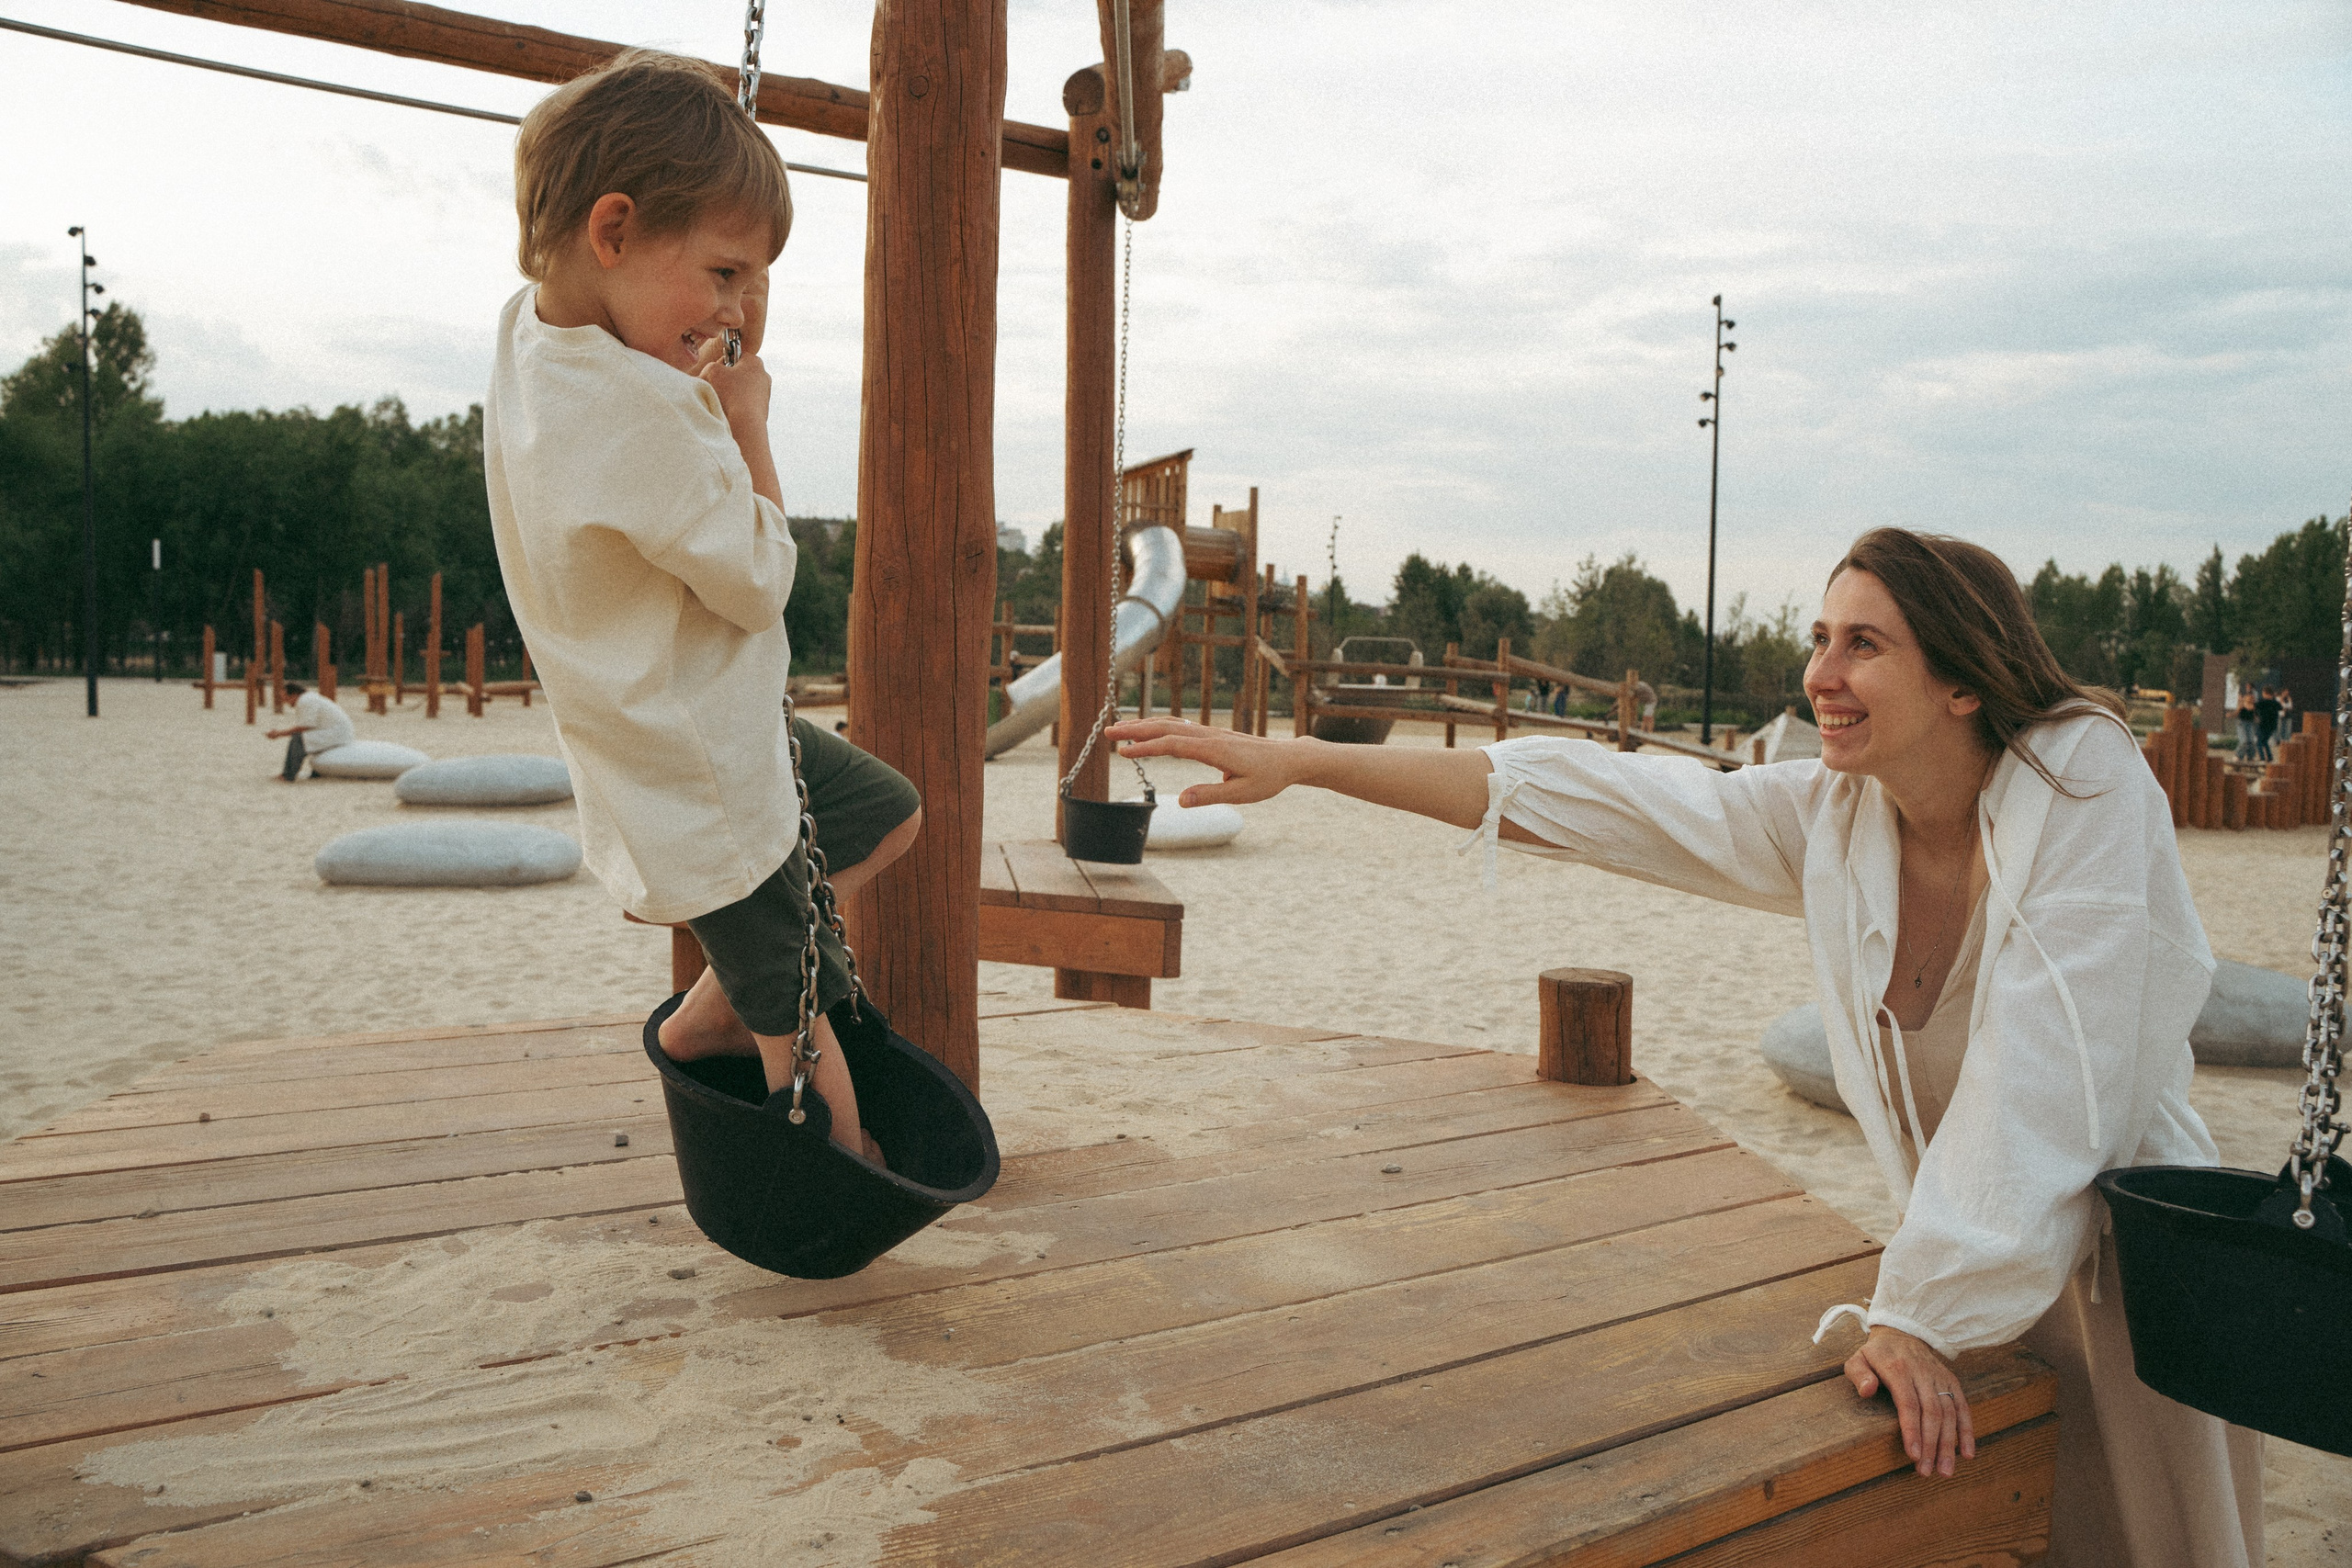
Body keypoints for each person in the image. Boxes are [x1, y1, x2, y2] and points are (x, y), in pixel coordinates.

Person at [1107, 527, 2261, 1567]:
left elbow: (2051, 1076)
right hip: (1956, 1268)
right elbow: (1605, 796)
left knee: (2143, 1539)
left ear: (1961, 677)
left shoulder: (2082, 779)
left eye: (1864, 643)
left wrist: (1919, 1309)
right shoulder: (1837, 815)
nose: (1821, 676)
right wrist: (1309, 762)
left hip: (2122, 1276)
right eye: (1819, 639)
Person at [483, 51, 921, 1163]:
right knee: (807, 1038)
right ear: (613, 229)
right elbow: (765, 577)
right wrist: (746, 420)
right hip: (705, 772)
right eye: (725, 274)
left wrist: (687, 353)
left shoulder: (531, 340)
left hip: (683, 723)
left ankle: (723, 1003)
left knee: (880, 811)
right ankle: (839, 1188)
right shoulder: (652, 423)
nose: (741, 309)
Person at [264, 681, 354, 780]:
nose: (285, 701)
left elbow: (305, 727)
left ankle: (288, 774)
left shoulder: (305, 701)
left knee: (298, 739)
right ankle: (316, 772)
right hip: (336, 731)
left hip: (336, 733)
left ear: (294, 695)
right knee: (306, 738)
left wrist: (279, 733)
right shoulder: (308, 698)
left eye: (286, 698)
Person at [2253, 686, 2282, 763]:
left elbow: (2254, 707)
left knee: (2259, 742)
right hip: (2272, 726)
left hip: (2263, 724)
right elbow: (2281, 707)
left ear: (2265, 693)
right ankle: (2270, 757)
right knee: (2265, 741)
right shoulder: (2275, 703)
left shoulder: (2262, 702)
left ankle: (2262, 758)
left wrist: (2256, 716)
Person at [2234, 685, 2258, 761]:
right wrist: (2230, 715)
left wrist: (2257, 719)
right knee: (2244, 741)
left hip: (2250, 723)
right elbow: (2237, 713)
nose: (2251, 698)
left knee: (2251, 741)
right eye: (2249, 697)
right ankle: (2238, 756)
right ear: (2246, 697)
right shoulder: (2242, 704)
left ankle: (2250, 756)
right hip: (2241, 723)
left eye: (2252, 697)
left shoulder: (2254, 706)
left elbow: (2254, 715)